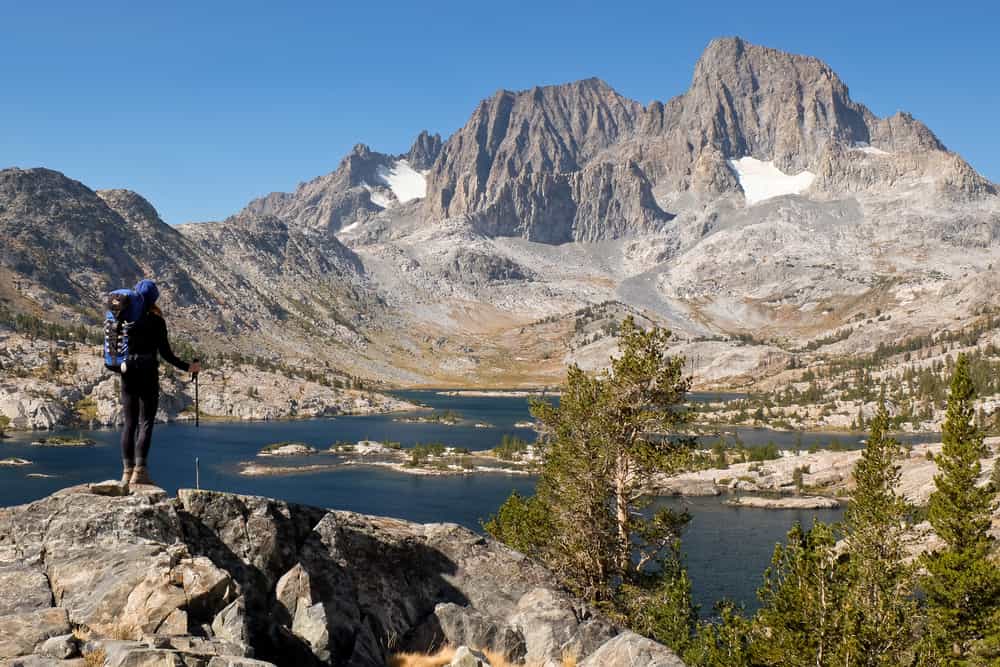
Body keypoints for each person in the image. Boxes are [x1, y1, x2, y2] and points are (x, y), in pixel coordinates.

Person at [119, 279, 201, 486]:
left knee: (129, 423)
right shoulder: (156, 321)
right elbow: (166, 354)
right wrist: (188, 367)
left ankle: (126, 472)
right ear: (154, 298)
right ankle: (140, 472)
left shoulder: (124, 316)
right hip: (148, 373)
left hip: (126, 372)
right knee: (145, 422)